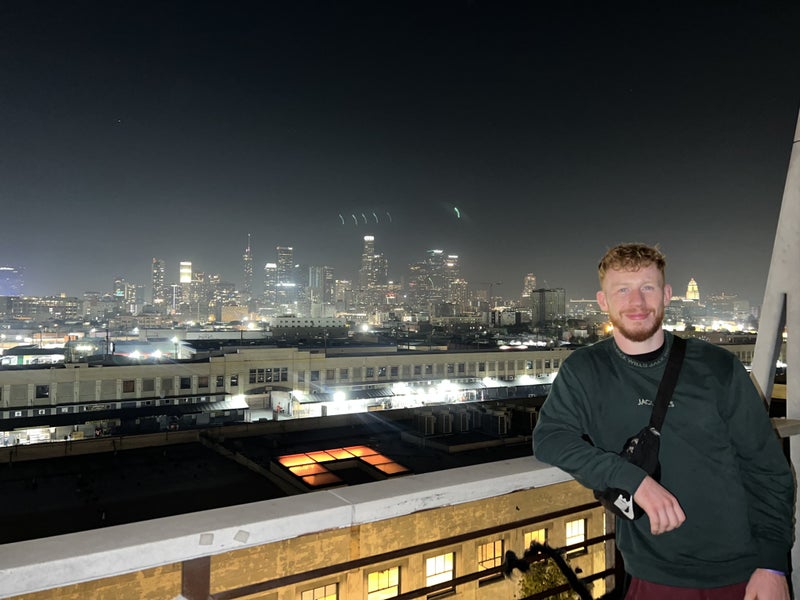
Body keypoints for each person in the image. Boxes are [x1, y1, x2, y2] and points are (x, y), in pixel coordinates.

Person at [532, 243, 794, 600]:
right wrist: (633, 480)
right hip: (653, 572)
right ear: (603, 301)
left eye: (647, 287)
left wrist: (774, 565)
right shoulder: (585, 370)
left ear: (667, 295)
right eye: (622, 290)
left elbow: (767, 469)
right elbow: (549, 439)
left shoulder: (717, 366)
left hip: (743, 572)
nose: (636, 302)